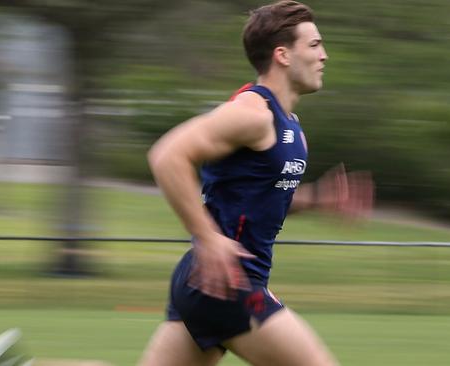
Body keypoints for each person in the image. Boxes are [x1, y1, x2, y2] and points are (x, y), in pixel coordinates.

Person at [139, 1, 373, 365]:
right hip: (229, 281)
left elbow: (257, 198)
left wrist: (316, 200)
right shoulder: (252, 115)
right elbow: (167, 155)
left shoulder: (289, 126)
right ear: (282, 54)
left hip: (205, 279)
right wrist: (208, 238)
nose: (324, 55)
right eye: (313, 45)